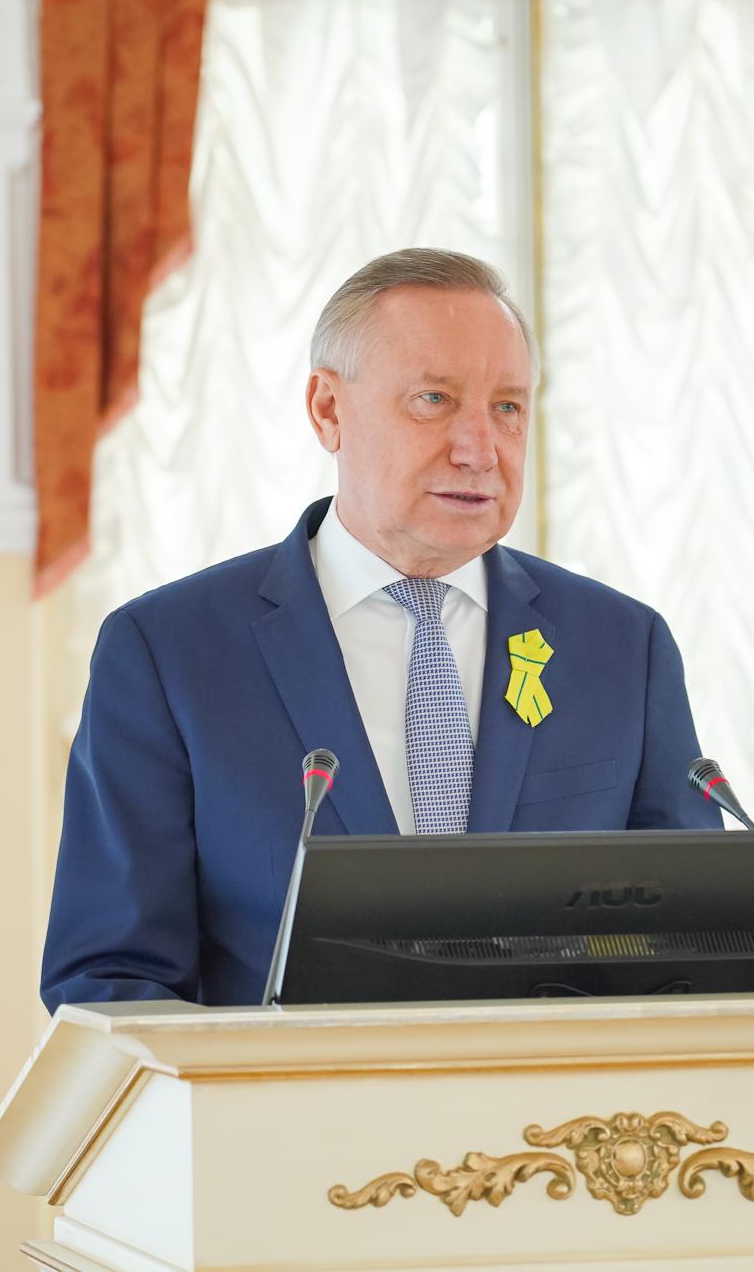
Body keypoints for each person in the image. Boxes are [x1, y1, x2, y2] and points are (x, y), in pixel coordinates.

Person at [41, 248, 717, 1011]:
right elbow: (110, 978)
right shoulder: (169, 653)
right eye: (434, 399)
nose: (480, 449)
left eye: (507, 407)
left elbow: (699, 946)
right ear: (328, 410)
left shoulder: (622, 648)